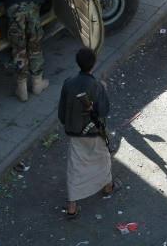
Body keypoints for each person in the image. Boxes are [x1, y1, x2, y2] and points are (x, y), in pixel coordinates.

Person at [58, 47, 113, 218]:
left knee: (75, 167)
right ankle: (107, 187)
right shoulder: (97, 86)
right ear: (93, 64)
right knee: (102, 159)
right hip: (94, 131)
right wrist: (104, 89)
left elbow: (62, 113)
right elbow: (103, 111)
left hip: (75, 132)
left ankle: (72, 206)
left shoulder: (68, 83)